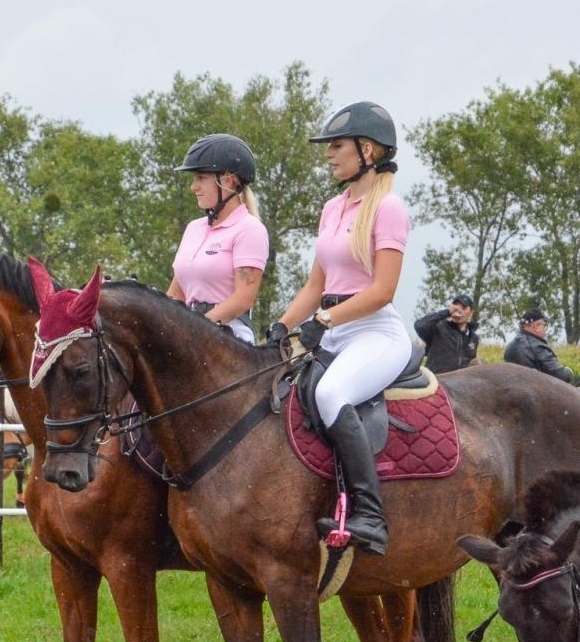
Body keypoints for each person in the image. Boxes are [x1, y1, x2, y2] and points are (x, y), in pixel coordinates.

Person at [268, 101, 410, 556]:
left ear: (367, 150)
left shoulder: (388, 208)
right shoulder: (332, 208)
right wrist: (282, 325)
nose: (329, 155)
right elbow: (317, 285)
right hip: (332, 331)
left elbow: (383, 290)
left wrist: (326, 319)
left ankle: (370, 516)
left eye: (337, 146)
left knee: (331, 394)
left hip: (375, 333)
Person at [167, 133, 269, 344]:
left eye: (201, 178)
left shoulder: (249, 229)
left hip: (229, 337)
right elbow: (176, 294)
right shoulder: (193, 229)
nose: (193, 187)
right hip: (189, 333)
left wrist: (196, 328)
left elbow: (243, 299)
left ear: (227, 181)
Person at [503, 309, 575, 382]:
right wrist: (569, 372)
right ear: (536, 327)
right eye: (544, 325)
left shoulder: (510, 345)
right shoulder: (538, 347)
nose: (545, 330)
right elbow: (561, 376)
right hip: (532, 387)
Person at [415, 294, 479, 373]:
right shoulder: (439, 328)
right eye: (456, 307)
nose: (459, 310)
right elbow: (420, 326)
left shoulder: (473, 338)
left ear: (471, 312)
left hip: (461, 379)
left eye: (463, 308)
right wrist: (447, 312)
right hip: (438, 378)